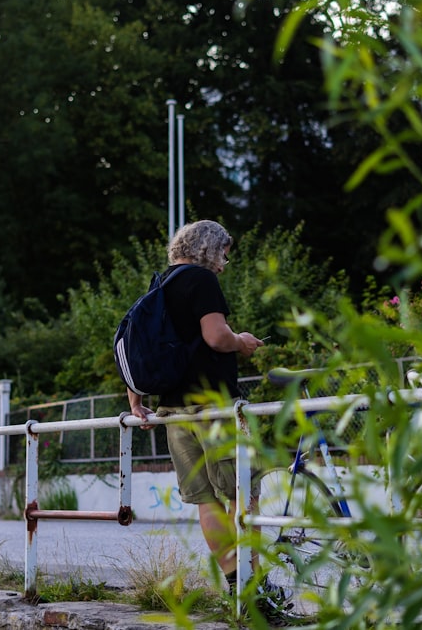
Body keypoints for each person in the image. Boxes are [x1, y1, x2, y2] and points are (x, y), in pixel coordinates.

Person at [125, 220, 267, 596]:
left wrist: (135, 400)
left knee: (206, 501)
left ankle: (237, 586)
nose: (224, 261)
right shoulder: (200, 281)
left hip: (174, 412)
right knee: (242, 494)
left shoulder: (160, 286)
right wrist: (242, 342)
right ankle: (256, 591)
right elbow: (217, 337)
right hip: (215, 408)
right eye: (223, 252)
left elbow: (140, 345)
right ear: (207, 248)